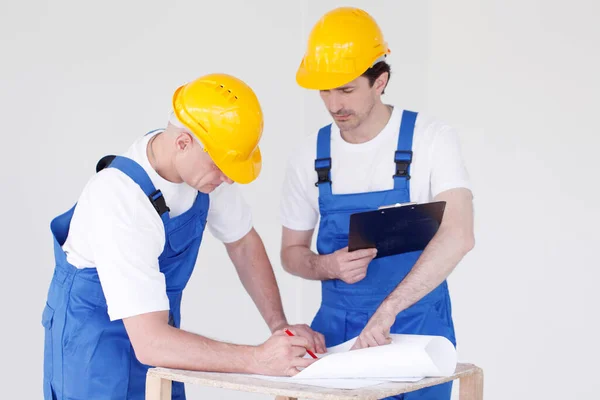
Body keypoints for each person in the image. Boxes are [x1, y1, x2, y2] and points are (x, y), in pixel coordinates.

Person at [41, 73, 324, 400]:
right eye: (222, 167)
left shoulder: (204, 173)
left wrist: (279, 327)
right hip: (93, 355)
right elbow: (149, 343)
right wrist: (259, 358)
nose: (228, 179)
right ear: (183, 142)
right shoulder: (120, 200)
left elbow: (243, 243)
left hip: (161, 341)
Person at [279, 7, 475, 400]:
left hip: (417, 328)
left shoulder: (430, 139)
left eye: (347, 89)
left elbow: (459, 235)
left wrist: (388, 311)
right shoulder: (309, 156)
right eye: (325, 91)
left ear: (380, 80)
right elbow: (291, 253)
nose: (334, 104)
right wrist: (325, 265)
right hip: (339, 333)